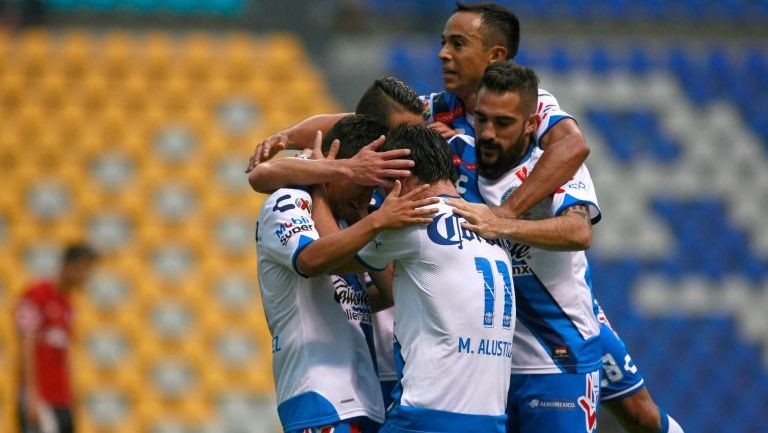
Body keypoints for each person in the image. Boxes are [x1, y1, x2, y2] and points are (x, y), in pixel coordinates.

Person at [254, 115, 437, 433]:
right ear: (339, 166)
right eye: (363, 183)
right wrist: (375, 223)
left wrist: (364, 217)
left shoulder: (347, 221)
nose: (368, 197)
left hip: (366, 401)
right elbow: (311, 260)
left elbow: (389, 292)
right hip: (319, 400)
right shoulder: (288, 202)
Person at [330, 124, 516, 432]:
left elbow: (327, 259)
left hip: (427, 418)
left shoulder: (418, 217)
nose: (380, 195)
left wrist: (323, 190)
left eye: (382, 184)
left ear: (401, 176)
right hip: (491, 420)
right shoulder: (488, 225)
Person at [15, 243, 98, 433]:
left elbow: (64, 353)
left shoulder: (68, 305)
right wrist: (31, 394)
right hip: (41, 398)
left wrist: (72, 395)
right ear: (71, 266)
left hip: (62, 398)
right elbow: (26, 345)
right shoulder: (36, 296)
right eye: (86, 270)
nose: (87, 277)